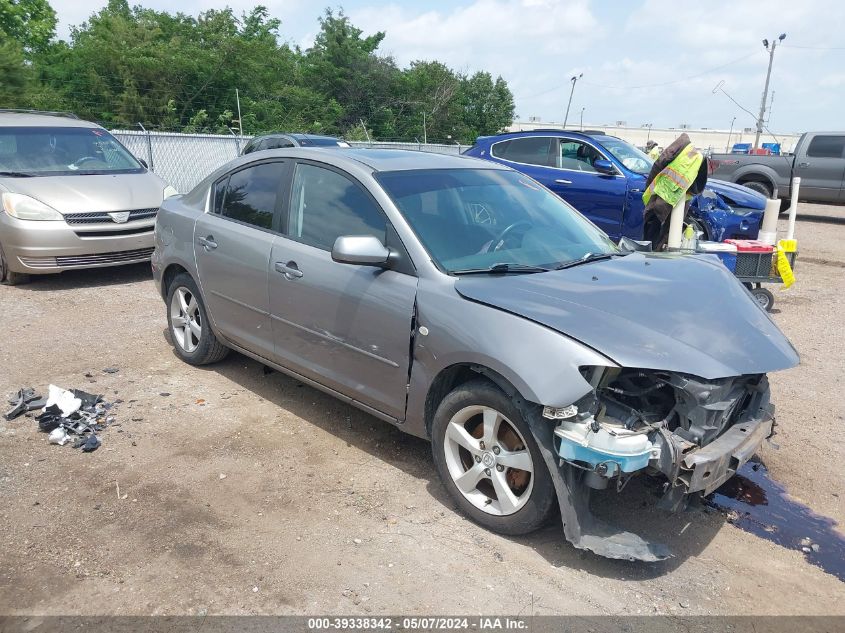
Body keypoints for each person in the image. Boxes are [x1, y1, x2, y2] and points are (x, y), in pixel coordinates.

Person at [641, 133, 708, 251]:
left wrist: (648, 186)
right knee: (665, 232)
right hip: (674, 197)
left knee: (653, 229)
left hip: (663, 196)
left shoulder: (683, 149)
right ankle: (657, 250)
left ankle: (652, 253)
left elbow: (658, 163)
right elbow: (695, 187)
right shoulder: (696, 157)